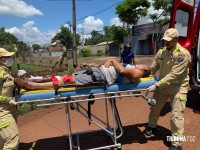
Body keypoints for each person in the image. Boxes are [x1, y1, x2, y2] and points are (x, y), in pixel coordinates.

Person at [144, 28, 191, 150]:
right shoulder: (162, 52)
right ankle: (151, 126)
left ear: (176, 40)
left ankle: (176, 143)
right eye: (165, 40)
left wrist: (156, 85)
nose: (166, 43)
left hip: (178, 87)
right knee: (155, 107)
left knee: (176, 115)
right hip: (162, 86)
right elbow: (153, 68)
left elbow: (175, 74)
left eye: (169, 41)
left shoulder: (183, 54)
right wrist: (142, 78)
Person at [14, 59, 151, 90]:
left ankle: (31, 85)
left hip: (99, 77)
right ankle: (35, 80)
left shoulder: (138, 72)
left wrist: (113, 60)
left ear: (145, 70)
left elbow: (121, 71)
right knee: (66, 77)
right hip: (97, 72)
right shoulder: (136, 69)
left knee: (65, 80)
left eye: (144, 66)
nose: (141, 64)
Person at [0, 48, 19, 150]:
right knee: (12, 141)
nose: (10, 59)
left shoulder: (5, 71)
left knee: (2, 140)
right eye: (7, 57)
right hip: (2, 112)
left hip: (10, 109)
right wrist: (7, 100)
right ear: (0, 59)